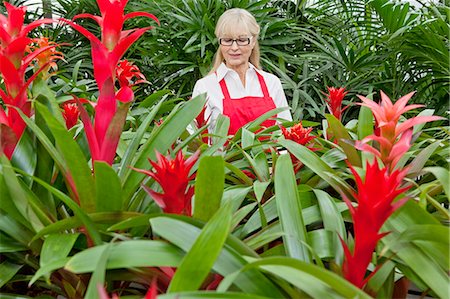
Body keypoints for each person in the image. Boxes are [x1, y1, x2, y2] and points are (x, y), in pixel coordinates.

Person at [192, 8, 292, 136]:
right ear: (220, 42)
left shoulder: (271, 83)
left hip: (271, 156)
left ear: (253, 41)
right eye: (227, 40)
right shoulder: (205, 87)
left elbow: (286, 132)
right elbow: (195, 140)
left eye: (242, 40)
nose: (234, 48)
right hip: (223, 157)